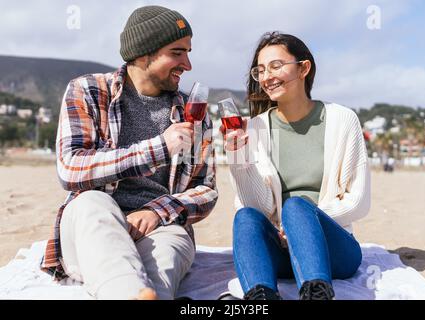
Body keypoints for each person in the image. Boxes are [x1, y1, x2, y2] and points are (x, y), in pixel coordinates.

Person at [40, 5, 218, 300]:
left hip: (160, 226)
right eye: (177, 52)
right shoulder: (87, 90)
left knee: (169, 252)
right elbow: (70, 168)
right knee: (93, 202)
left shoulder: (193, 112)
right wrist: (159, 148)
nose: (187, 64)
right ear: (143, 53)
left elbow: (206, 189)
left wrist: (157, 211)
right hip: (92, 220)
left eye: (188, 51)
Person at [222, 32, 370, 300]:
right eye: (261, 70)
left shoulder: (343, 119)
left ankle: (317, 293)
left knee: (297, 207)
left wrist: (299, 225)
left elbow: (358, 202)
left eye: (276, 66)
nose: (267, 76)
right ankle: (261, 298)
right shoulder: (254, 128)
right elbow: (258, 208)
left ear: (304, 68)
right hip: (280, 252)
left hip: (333, 250)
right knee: (244, 217)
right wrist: (238, 158)